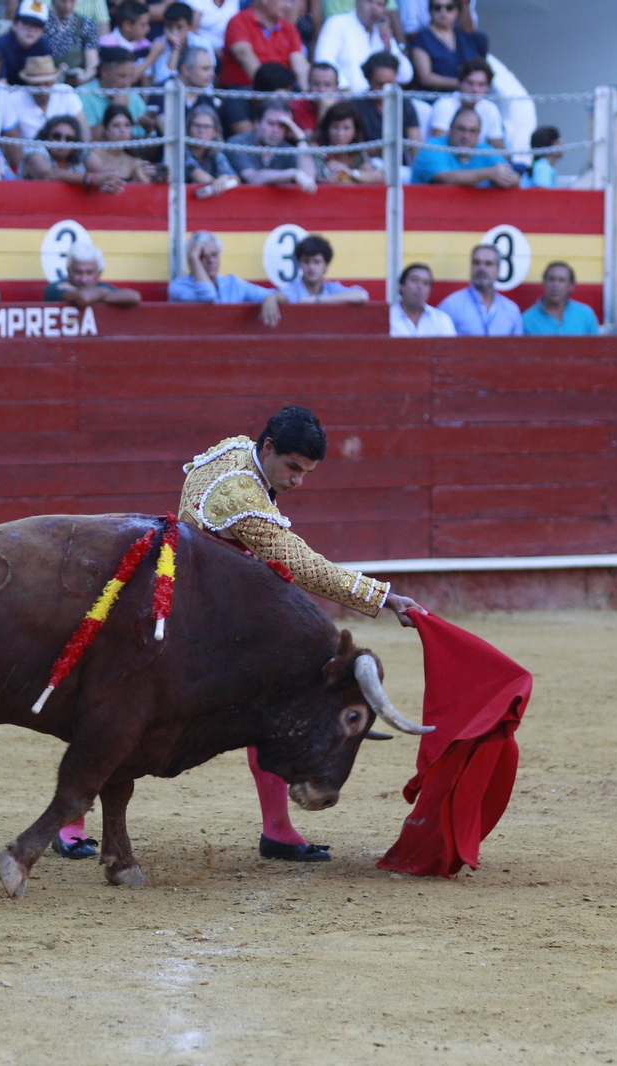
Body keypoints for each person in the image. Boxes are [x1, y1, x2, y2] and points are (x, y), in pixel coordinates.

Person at [165, 406, 423, 863]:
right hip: (202, 622)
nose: (299, 480)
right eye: (293, 468)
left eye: (307, 472)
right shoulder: (240, 496)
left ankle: (278, 830)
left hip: (197, 600)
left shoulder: (236, 450)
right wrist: (383, 597)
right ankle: (70, 824)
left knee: (263, 705)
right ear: (268, 447)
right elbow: (302, 565)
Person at [170, 230, 286, 326]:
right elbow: (208, 296)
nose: (211, 261)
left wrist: (271, 298)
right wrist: (193, 257)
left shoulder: (232, 283)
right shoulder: (178, 286)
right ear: (192, 262)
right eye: (202, 256)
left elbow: (283, 295)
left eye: (214, 255)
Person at [0, 54, 85, 169]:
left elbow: (84, 133)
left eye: (47, 83)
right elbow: (12, 144)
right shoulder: (14, 99)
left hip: (68, 160)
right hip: (32, 164)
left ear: (54, 81)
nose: (42, 88)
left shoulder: (66, 92)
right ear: (27, 83)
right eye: (36, 84)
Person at [409, 106, 517, 187]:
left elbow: (515, 178)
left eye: (472, 131)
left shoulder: (485, 150)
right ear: (450, 129)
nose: (466, 136)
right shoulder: (432, 148)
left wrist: (505, 178)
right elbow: (447, 179)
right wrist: (490, 173)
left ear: (479, 134)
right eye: (461, 129)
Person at [314, 0, 409, 90]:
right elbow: (324, 61)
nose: (374, 8)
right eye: (369, 1)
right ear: (356, 2)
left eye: (379, 4)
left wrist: (388, 46)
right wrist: (345, 89)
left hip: (379, 100)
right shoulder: (336, 23)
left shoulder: (382, 32)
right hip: (345, 100)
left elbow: (406, 76)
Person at [224, 99, 314, 189]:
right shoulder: (238, 144)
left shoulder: (286, 149)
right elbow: (253, 177)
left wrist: (301, 138)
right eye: (271, 123)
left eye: (282, 125)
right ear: (257, 123)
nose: (275, 130)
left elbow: (309, 178)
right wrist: (293, 173)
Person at [438, 243, 522, 335]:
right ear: (471, 268)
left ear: (498, 271)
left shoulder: (511, 310)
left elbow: (518, 348)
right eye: (476, 263)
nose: (481, 268)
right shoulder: (451, 306)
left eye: (488, 264)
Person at [220, 0, 305, 89]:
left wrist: (308, 95)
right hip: (244, 89)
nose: (289, 6)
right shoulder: (239, 21)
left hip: (282, 91)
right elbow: (244, 55)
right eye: (284, 1)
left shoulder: (289, 29)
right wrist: (270, 89)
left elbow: (300, 66)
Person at [425, 56, 501, 148]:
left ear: (488, 87)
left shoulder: (491, 108)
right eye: (470, 83)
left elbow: (499, 151)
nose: (475, 89)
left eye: (481, 85)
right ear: (460, 83)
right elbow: (440, 147)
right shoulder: (444, 105)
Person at [350, 50, 418, 150]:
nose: (386, 89)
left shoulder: (405, 104)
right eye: (379, 84)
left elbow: (415, 144)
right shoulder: (354, 106)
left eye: (390, 83)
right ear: (368, 80)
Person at [407, 0, 482, 90]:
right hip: (433, 98)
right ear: (430, 10)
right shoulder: (422, 37)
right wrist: (462, 83)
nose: (443, 12)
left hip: (465, 96)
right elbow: (425, 78)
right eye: (437, 8)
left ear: (457, 10)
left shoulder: (464, 37)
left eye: (449, 7)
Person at [43, 239, 140, 306]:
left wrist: (99, 293)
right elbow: (83, 298)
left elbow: (134, 297)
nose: (84, 279)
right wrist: (106, 293)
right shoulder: (56, 288)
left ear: (99, 273)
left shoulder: (101, 287)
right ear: (68, 271)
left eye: (89, 273)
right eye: (78, 272)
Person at [151, 44, 221, 133]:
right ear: (186, 69)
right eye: (205, 69)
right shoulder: (161, 92)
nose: (212, 74)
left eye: (212, 69)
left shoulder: (206, 99)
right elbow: (168, 133)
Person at [79, 45, 148, 133]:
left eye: (130, 76)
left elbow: (141, 140)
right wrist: (117, 109)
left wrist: (150, 129)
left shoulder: (134, 97)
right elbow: (88, 139)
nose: (127, 83)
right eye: (122, 76)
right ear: (104, 72)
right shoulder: (83, 95)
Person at [280, 234, 365, 303]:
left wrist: (317, 299)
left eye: (316, 262)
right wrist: (271, 299)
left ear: (326, 266)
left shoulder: (331, 289)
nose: (311, 267)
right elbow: (274, 295)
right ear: (299, 264)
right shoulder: (292, 290)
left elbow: (362, 295)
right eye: (306, 261)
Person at [313, 100, 381, 183]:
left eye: (346, 128)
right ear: (327, 129)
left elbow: (380, 177)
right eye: (335, 127)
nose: (340, 134)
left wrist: (350, 172)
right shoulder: (317, 152)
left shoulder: (358, 155)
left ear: (355, 132)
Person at [521, 260, 598, 335]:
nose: (555, 285)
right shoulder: (527, 320)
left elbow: (596, 346)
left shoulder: (585, 315)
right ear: (544, 283)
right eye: (551, 279)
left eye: (561, 280)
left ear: (571, 286)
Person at [147, 1, 212, 87]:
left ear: (190, 27)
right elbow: (164, 81)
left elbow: (208, 81)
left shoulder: (203, 44)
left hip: (198, 95)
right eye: (169, 27)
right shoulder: (159, 44)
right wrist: (176, 48)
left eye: (179, 27)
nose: (174, 32)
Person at [86, 103, 154, 182]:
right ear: (106, 130)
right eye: (116, 125)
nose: (122, 130)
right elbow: (110, 183)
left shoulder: (135, 161)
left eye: (127, 125)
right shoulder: (93, 156)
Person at [0, 0, 51, 83]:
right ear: (14, 24)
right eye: (26, 23)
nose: (31, 30)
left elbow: (45, 83)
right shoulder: (1, 45)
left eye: (37, 25)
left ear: (43, 31)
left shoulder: (44, 47)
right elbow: (0, 83)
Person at [389, 262, 454, 336]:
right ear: (401, 285)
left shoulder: (441, 320)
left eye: (426, 283)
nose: (420, 287)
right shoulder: (387, 318)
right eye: (414, 280)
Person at [44, 0, 99, 83]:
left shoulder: (86, 23)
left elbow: (92, 62)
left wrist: (84, 77)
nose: (68, 6)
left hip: (75, 82)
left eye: (72, 1)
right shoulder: (41, 20)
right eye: (63, 1)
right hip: (45, 80)